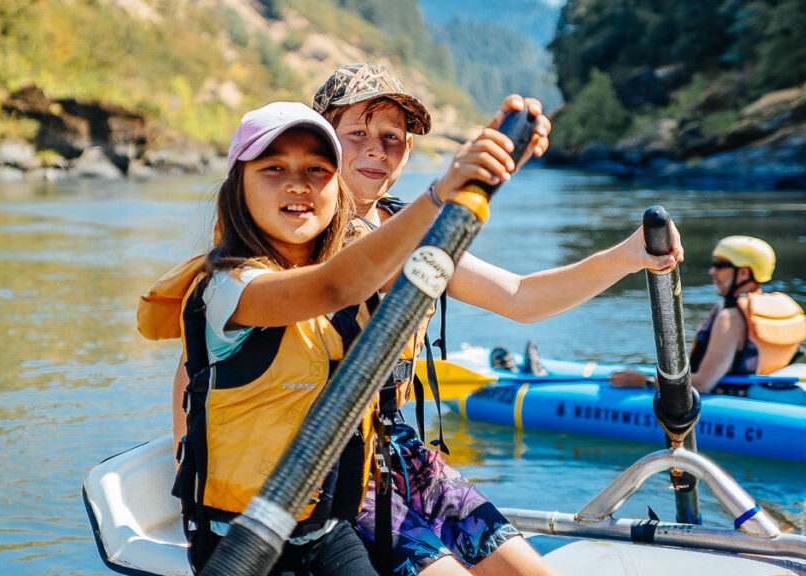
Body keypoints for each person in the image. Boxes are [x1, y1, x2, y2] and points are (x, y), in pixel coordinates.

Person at [311, 63, 682, 576]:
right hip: (329, 466)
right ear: (320, 141)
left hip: (400, 453)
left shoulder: (411, 228)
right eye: (356, 133)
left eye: (391, 137)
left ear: (410, 150)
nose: (376, 149)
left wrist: (624, 256)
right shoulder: (297, 233)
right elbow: (211, 354)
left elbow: (520, 296)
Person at [140, 100, 535, 575]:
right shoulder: (230, 287)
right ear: (237, 188)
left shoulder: (351, 271)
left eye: (317, 169)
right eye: (273, 168)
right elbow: (336, 285)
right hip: (242, 541)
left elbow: (483, 285)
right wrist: (441, 193)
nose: (297, 183)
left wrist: (488, 172)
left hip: (323, 527)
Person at [609, 235, 806, 395]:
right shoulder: (779, 305)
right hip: (764, 393)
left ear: (743, 274)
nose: (713, 271)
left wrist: (643, 380)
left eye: (721, 265)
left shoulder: (731, 318)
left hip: (727, 403)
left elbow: (703, 384)